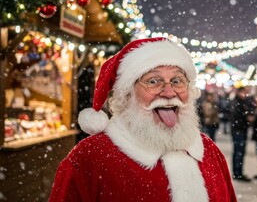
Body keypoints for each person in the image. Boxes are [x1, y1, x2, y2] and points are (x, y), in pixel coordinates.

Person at [49, 38, 237, 202]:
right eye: (153, 81)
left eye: (177, 81)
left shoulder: (209, 151)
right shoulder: (90, 157)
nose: (169, 92)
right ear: (127, 93)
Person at [230, 87, 252, 182]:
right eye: (244, 93)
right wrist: (246, 119)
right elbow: (238, 118)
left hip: (238, 130)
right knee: (239, 152)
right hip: (239, 131)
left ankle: (237, 172)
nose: (245, 95)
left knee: (238, 152)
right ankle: (238, 173)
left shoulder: (239, 102)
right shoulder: (238, 103)